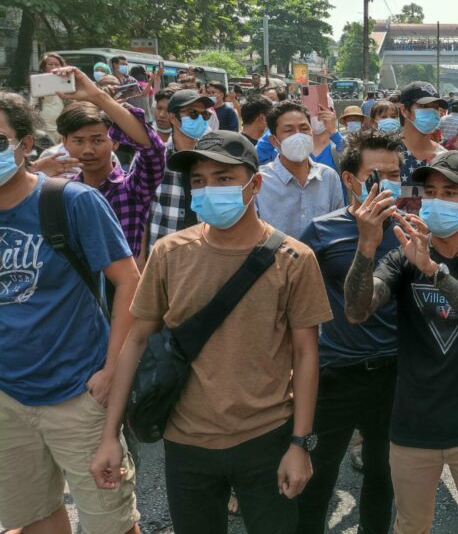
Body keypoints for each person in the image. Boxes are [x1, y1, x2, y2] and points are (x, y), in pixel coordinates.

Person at [90, 131, 333, 534]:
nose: (208, 190)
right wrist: (110, 435)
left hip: (266, 437)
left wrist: (299, 444)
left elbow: (306, 354)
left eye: (223, 179)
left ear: (254, 184)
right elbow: (135, 341)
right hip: (186, 441)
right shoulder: (169, 252)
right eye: (198, 181)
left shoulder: (294, 258)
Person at [343, 151, 458, 533]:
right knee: (411, 526)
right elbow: (357, 310)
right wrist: (366, 247)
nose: (437, 200)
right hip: (412, 427)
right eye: (430, 191)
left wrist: (434, 272)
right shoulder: (402, 257)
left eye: (449, 192)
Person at [0, 91, 142, 534]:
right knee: (35, 517)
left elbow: (130, 283)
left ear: (25, 146)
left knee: (110, 524)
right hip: (7, 399)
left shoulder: (71, 201)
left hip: (77, 392)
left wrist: (112, 370)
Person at [297, 130, 403, 534]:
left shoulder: (410, 230)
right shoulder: (321, 232)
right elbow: (295, 302)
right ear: (349, 180)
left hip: (395, 374)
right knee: (318, 477)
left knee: (382, 476)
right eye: (378, 174)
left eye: (395, 173)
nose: (388, 183)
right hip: (336, 373)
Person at [54, 66, 166, 262]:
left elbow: (153, 149)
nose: (88, 150)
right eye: (78, 141)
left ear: (114, 141)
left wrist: (98, 97)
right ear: (64, 142)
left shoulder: (133, 189)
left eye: (97, 140)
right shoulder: (60, 193)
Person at [257, 101, 344, 239]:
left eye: (304, 129)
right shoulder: (260, 182)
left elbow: (337, 229)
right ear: (274, 140)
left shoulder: (329, 177)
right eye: (288, 130)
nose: (298, 136)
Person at [146, 88, 215, 251]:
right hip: (164, 249)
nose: (199, 119)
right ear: (173, 117)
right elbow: (141, 210)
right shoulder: (155, 158)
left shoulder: (215, 158)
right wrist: (140, 257)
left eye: (204, 115)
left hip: (204, 249)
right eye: (192, 113)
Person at [394, 81, 447, 215]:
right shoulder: (387, 152)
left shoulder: (444, 156)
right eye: (424, 106)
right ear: (404, 110)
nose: (432, 112)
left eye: (435, 107)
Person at [32, 51, 67, 141]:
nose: (54, 67)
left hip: (64, 125)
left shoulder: (68, 80)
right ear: (44, 66)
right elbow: (33, 105)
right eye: (50, 64)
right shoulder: (38, 82)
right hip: (45, 127)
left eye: (57, 64)